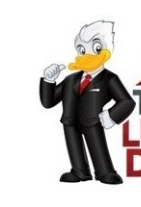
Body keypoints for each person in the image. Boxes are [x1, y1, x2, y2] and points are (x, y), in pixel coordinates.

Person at [40, 20, 135, 184]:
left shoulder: (109, 79)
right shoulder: (70, 79)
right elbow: (49, 102)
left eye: (95, 48)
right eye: (82, 50)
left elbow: (127, 101)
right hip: (70, 121)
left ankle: (105, 172)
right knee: (74, 148)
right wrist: (48, 80)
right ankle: (79, 172)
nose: (87, 55)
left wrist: (111, 116)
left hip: (93, 122)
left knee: (97, 147)